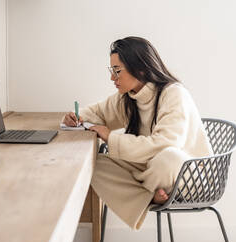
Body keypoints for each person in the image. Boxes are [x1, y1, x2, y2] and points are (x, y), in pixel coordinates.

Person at [62, 36, 212, 230]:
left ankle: (143, 193)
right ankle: (149, 195)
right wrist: (77, 117)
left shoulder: (174, 94)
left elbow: (164, 145)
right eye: (111, 70)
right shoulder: (128, 98)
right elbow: (97, 113)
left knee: (168, 157)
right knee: (91, 163)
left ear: (140, 68)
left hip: (189, 176)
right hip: (154, 174)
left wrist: (110, 136)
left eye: (117, 71)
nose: (112, 78)